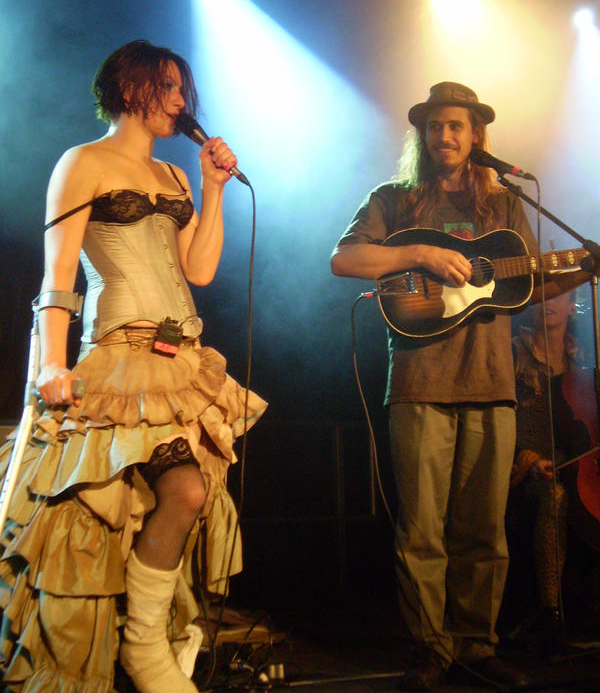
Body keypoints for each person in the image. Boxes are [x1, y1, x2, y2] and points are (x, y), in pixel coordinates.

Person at [0, 39, 267, 693]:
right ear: (130, 88)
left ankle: (145, 638)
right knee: (162, 497)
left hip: (179, 360)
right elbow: (58, 276)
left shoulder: (176, 177)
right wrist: (51, 364)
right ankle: (139, 648)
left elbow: (199, 270)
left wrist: (211, 186)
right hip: (118, 360)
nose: (181, 102)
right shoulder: (81, 163)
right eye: (168, 87)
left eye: (183, 90)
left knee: (187, 495)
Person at [330, 82, 590, 690]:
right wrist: (418, 252)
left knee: (484, 529)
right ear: (422, 134)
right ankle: (430, 648)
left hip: (493, 381)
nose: (446, 136)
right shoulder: (394, 200)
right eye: (436, 126)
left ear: (477, 135)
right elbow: (345, 259)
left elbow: (520, 285)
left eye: (458, 127)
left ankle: (477, 645)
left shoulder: (502, 204)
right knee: (421, 528)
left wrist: (578, 269)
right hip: (420, 381)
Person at [507, 291, 590, 654]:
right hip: (523, 468)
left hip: (576, 466)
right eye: (542, 295)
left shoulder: (584, 358)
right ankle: (549, 615)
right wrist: (527, 457)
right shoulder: (511, 351)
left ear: (573, 305)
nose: (549, 302)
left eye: (560, 296)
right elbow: (499, 418)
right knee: (554, 497)